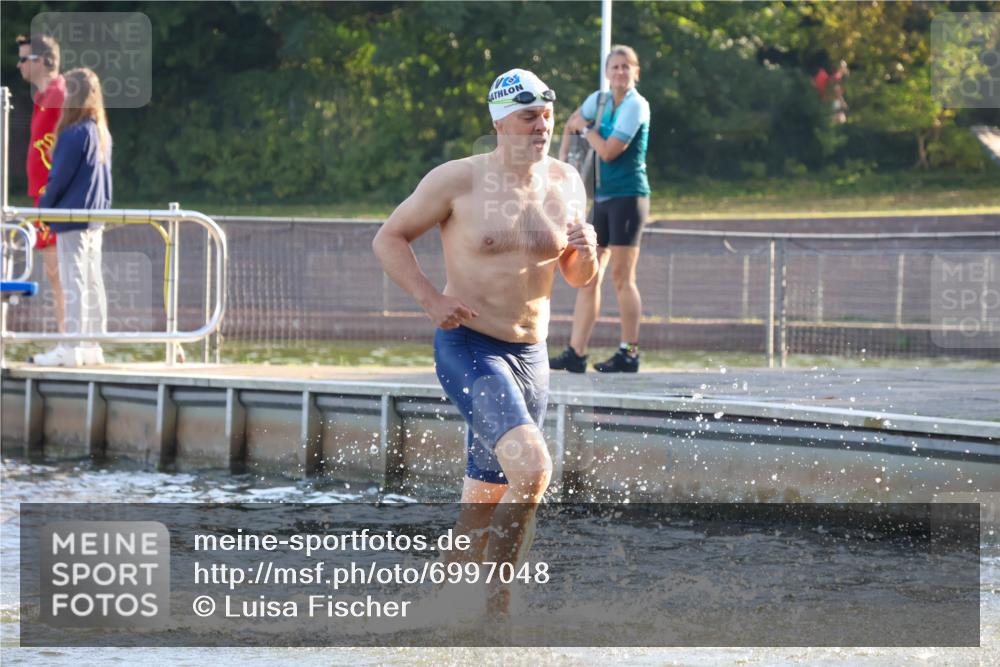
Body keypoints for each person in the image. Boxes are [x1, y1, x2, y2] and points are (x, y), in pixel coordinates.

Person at [372, 68, 597, 614]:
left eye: (546, 114)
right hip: (470, 344)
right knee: (535, 470)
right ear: (500, 123)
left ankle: (425, 617)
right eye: (528, 116)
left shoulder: (567, 181)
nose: (542, 126)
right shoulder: (458, 180)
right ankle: (497, 615)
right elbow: (389, 237)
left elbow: (577, 277)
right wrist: (430, 298)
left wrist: (587, 253)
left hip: (532, 357)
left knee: (480, 514)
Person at [551, 45, 651, 373]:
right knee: (588, 275)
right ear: (608, 72)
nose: (620, 72)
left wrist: (587, 130)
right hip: (602, 198)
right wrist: (564, 168)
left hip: (628, 198)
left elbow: (608, 151)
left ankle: (629, 352)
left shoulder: (636, 106)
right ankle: (576, 352)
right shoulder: (602, 100)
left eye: (626, 67)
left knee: (623, 277)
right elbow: (570, 125)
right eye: (615, 67)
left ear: (635, 72)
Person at [30, 68, 112, 367]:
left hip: (72, 216)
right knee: (92, 280)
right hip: (94, 216)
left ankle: (71, 347)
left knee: (74, 280)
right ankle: (92, 345)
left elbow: (59, 177)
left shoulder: (73, 133)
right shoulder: (101, 131)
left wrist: (44, 209)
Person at [15, 33, 66, 333]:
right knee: (54, 271)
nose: (19, 64)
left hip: (56, 196)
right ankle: (67, 337)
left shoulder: (60, 95)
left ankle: (71, 339)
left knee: (61, 271)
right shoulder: (44, 97)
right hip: (43, 196)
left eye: (24, 58)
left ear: (43, 61)